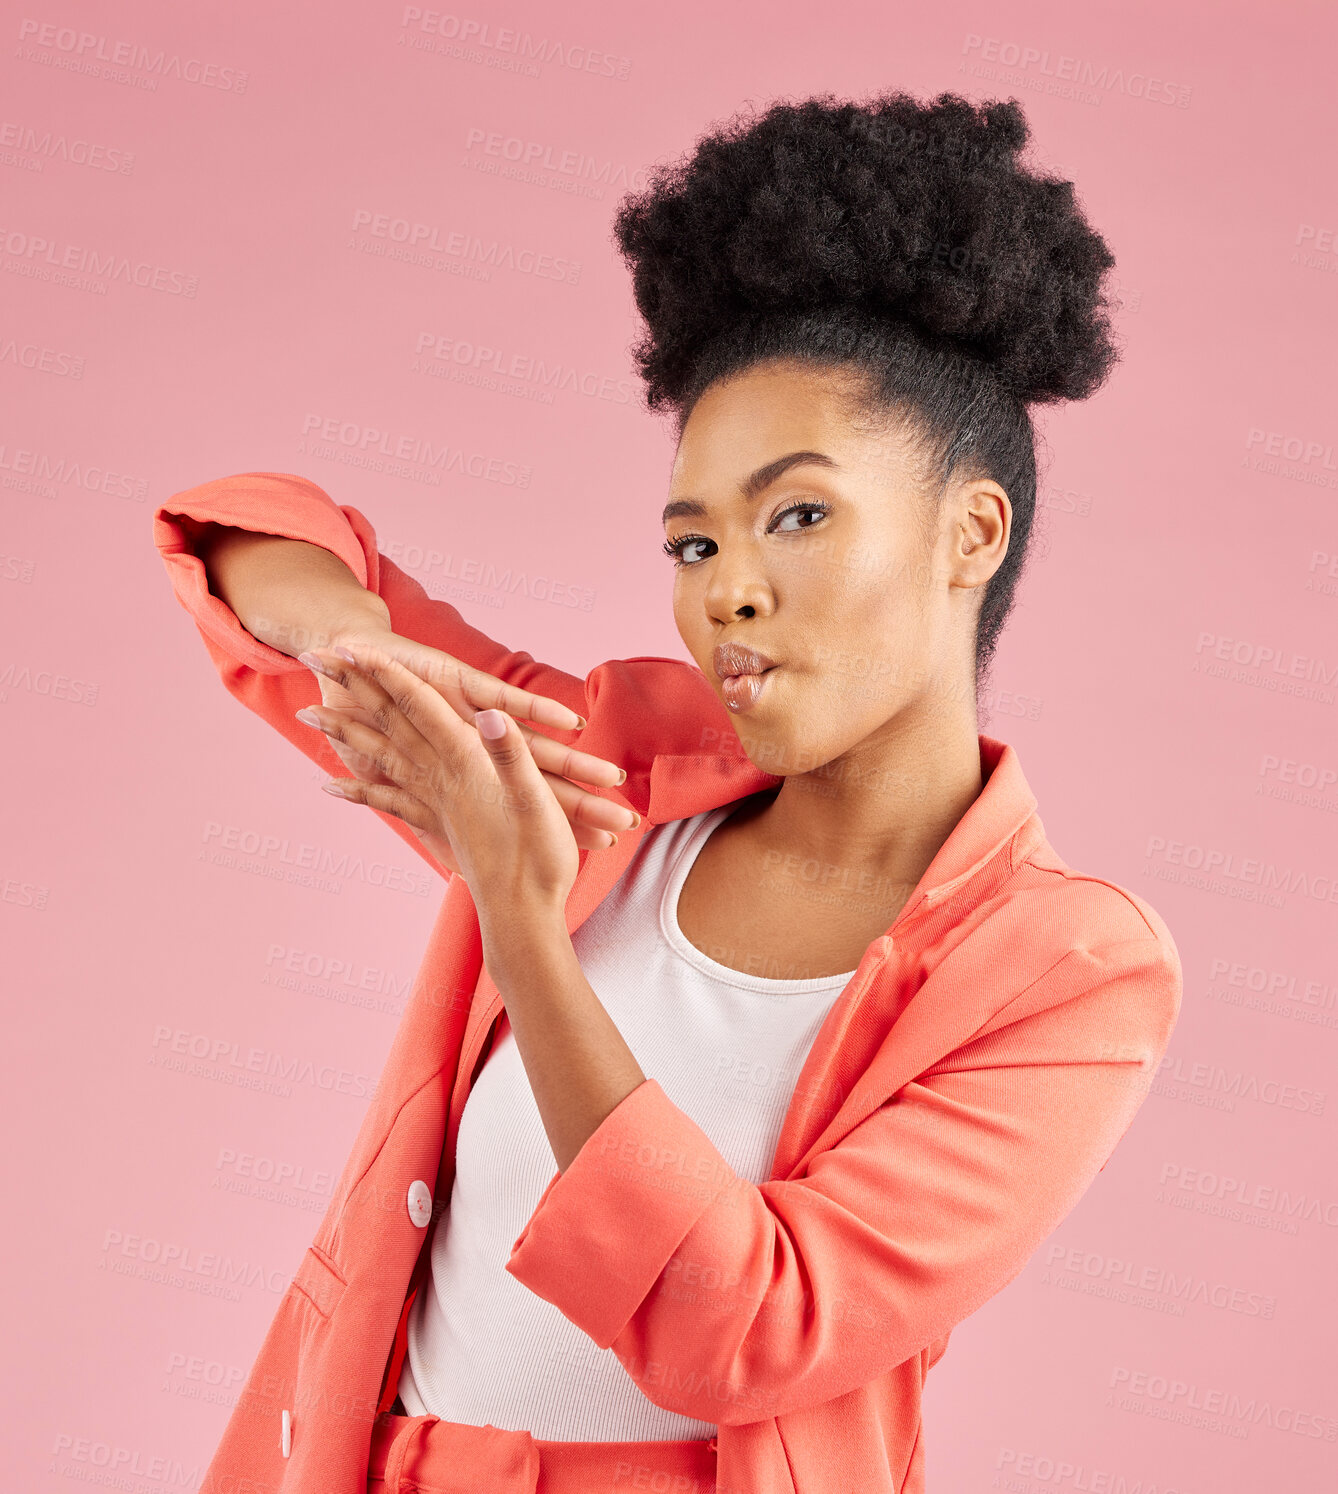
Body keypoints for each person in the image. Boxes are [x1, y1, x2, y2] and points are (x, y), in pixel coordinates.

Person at [154, 90, 1181, 1494]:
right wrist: (368, 650)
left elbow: (748, 1324)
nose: (729, 589)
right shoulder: (607, 768)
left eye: (798, 514)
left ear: (970, 531)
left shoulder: (1065, 969)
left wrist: (523, 926)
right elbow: (245, 530)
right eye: (691, 543)